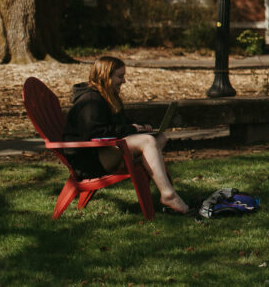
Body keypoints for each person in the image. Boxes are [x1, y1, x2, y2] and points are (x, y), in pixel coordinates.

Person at [63, 56, 190, 214]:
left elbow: (121, 124)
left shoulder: (108, 97)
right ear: (105, 76)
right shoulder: (90, 101)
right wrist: (131, 129)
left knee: (159, 138)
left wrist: (140, 126)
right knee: (147, 142)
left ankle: (165, 187)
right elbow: (95, 133)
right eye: (120, 76)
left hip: (103, 152)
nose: (124, 81)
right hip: (88, 160)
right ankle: (168, 194)